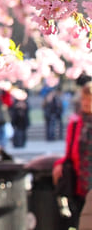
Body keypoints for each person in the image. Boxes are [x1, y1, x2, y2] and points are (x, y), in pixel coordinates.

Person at [53, 81, 92, 228]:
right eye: (84, 99)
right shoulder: (76, 124)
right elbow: (70, 153)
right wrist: (60, 165)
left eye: (90, 99)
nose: (86, 103)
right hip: (80, 186)